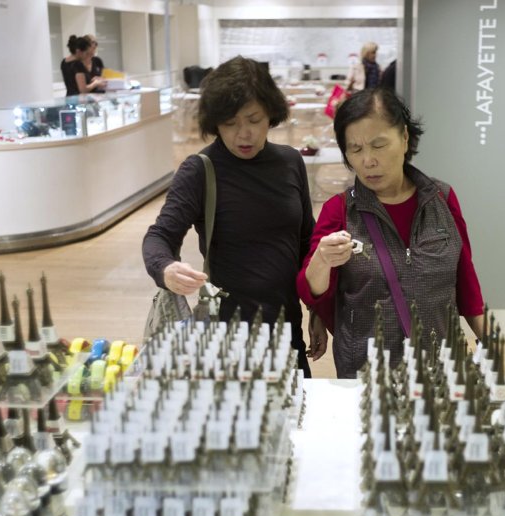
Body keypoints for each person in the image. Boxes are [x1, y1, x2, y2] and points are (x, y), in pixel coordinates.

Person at [142, 56, 327, 376]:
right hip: (228, 333)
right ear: (215, 123)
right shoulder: (200, 170)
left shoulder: (290, 162)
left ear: (271, 113)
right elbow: (159, 236)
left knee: (294, 418)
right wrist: (167, 268)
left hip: (287, 324)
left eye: (253, 119)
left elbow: (305, 242)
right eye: (230, 123)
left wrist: (317, 308)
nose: (244, 133)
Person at [296, 87, 486, 378]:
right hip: (367, 373)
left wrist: (489, 341)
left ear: (405, 138)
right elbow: (312, 290)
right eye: (355, 149)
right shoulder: (340, 209)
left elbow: (464, 277)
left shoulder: (442, 199)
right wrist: (322, 259)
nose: (368, 160)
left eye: (379, 145)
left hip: (440, 369)